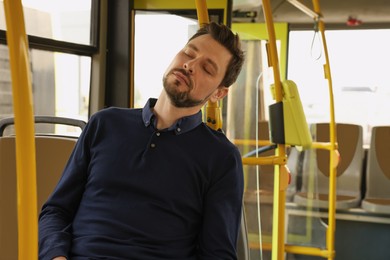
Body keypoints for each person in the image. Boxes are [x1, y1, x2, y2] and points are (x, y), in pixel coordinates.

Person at [39, 21, 245, 260]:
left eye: (207, 69)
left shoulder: (220, 157)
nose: (189, 65)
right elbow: (56, 211)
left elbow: (217, 255)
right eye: (188, 53)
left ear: (219, 93)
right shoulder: (104, 124)